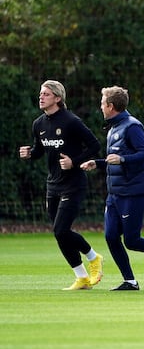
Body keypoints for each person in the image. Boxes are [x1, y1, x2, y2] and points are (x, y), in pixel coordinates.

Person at [80, 86, 144, 291]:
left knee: (132, 240)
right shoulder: (114, 127)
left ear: (111, 106)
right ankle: (130, 281)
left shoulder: (132, 126)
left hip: (133, 191)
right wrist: (98, 163)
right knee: (110, 236)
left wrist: (123, 159)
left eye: (102, 103)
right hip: (115, 192)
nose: (100, 107)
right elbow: (115, 159)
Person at [19, 80, 104, 290]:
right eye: (41, 93)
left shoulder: (71, 121)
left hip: (73, 184)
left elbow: (95, 145)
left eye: (46, 94)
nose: (41, 97)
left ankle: (94, 258)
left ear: (58, 98)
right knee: (60, 233)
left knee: (60, 229)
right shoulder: (38, 123)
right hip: (53, 185)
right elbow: (40, 151)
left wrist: (74, 162)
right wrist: (29, 153)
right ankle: (82, 277)